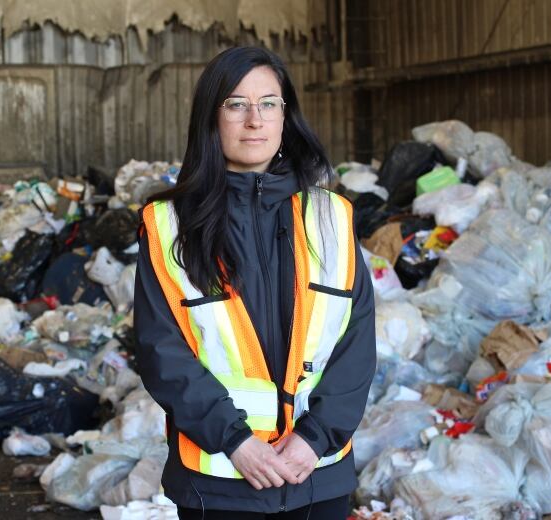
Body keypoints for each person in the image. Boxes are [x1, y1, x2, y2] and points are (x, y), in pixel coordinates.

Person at [133, 46, 376, 519]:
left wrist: (314, 438)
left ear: (286, 116)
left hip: (316, 474)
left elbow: (357, 338)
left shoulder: (330, 216)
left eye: (269, 103)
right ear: (212, 116)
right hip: (221, 481)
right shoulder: (169, 225)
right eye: (236, 104)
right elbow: (161, 350)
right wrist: (236, 441)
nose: (254, 120)